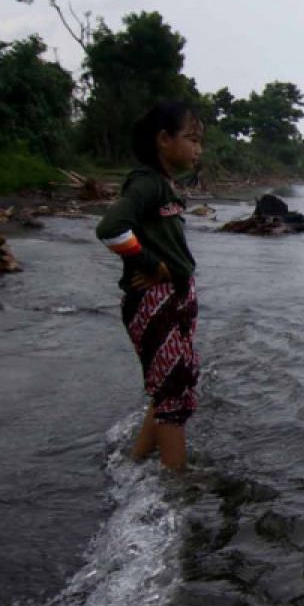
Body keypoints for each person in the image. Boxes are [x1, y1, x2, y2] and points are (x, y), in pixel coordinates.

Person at [96, 101, 203, 471]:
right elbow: (110, 228)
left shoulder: (165, 186)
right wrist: (148, 263)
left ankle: (136, 461)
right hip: (154, 301)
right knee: (172, 395)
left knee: (172, 385)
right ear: (163, 139)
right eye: (191, 139)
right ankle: (178, 488)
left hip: (174, 297)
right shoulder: (146, 183)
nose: (197, 149)